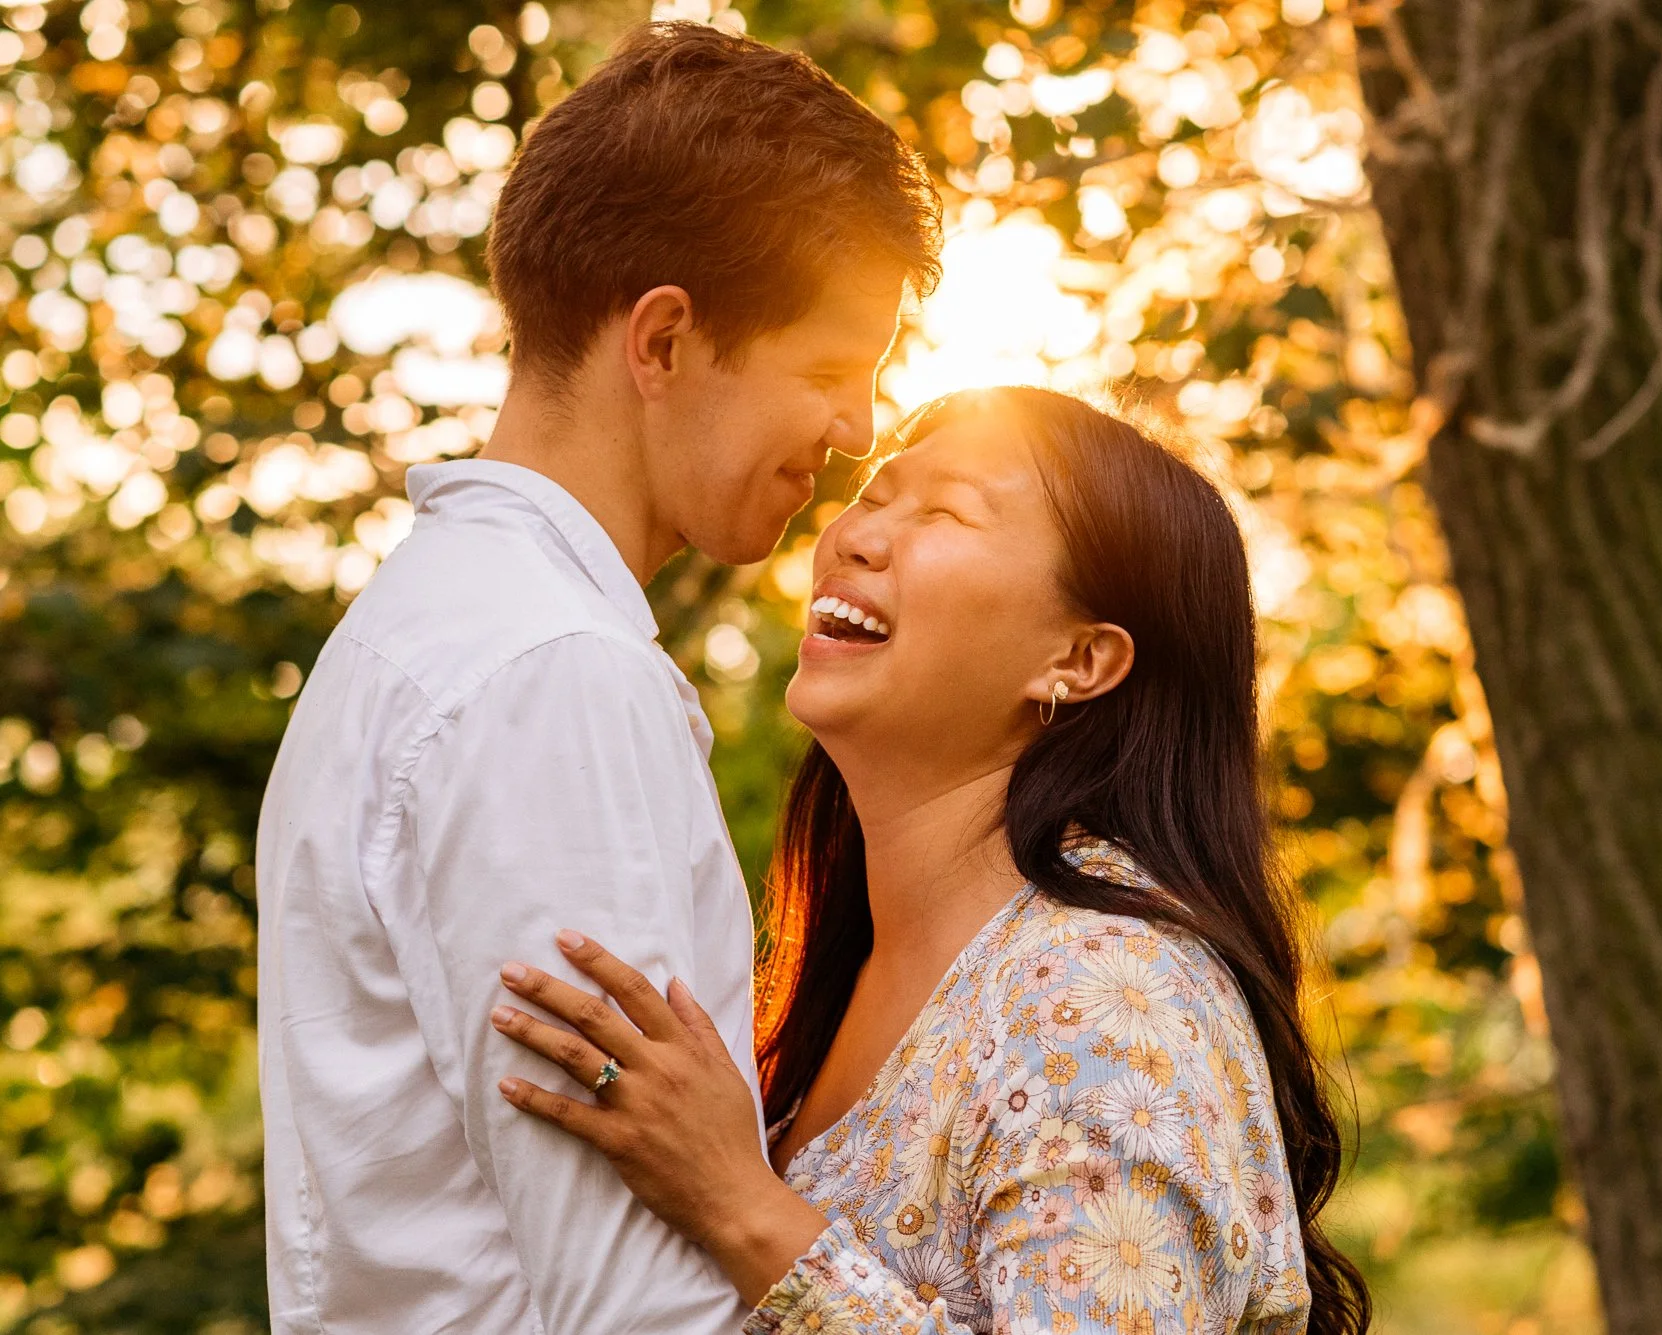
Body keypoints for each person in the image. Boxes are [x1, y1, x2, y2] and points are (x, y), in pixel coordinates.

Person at [253, 20, 940, 1333]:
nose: (854, 431)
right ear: (664, 342)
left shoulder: (418, 630)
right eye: (829, 369)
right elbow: (640, 1304)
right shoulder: (554, 677)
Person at [485, 387, 1373, 1335]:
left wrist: (739, 1203)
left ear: (1078, 659)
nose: (857, 536)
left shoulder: (1114, 996)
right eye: (874, 495)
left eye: (945, 511)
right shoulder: (846, 967)